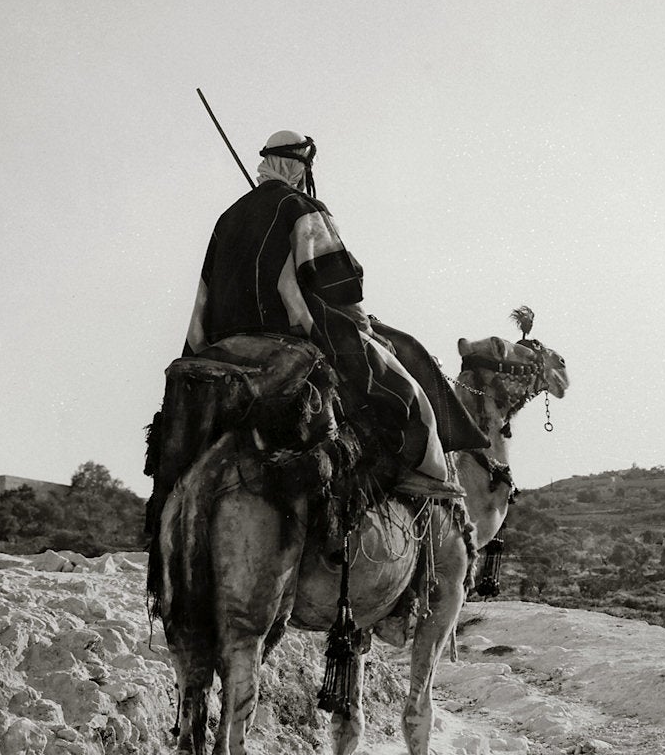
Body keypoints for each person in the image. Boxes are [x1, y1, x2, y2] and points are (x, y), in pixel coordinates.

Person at [185, 131, 466, 501]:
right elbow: (339, 283)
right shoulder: (304, 208)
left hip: (219, 340)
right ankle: (423, 473)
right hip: (292, 333)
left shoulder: (228, 217)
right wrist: (364, 328)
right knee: (403, 384)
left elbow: (205, 291)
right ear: (301, 169)